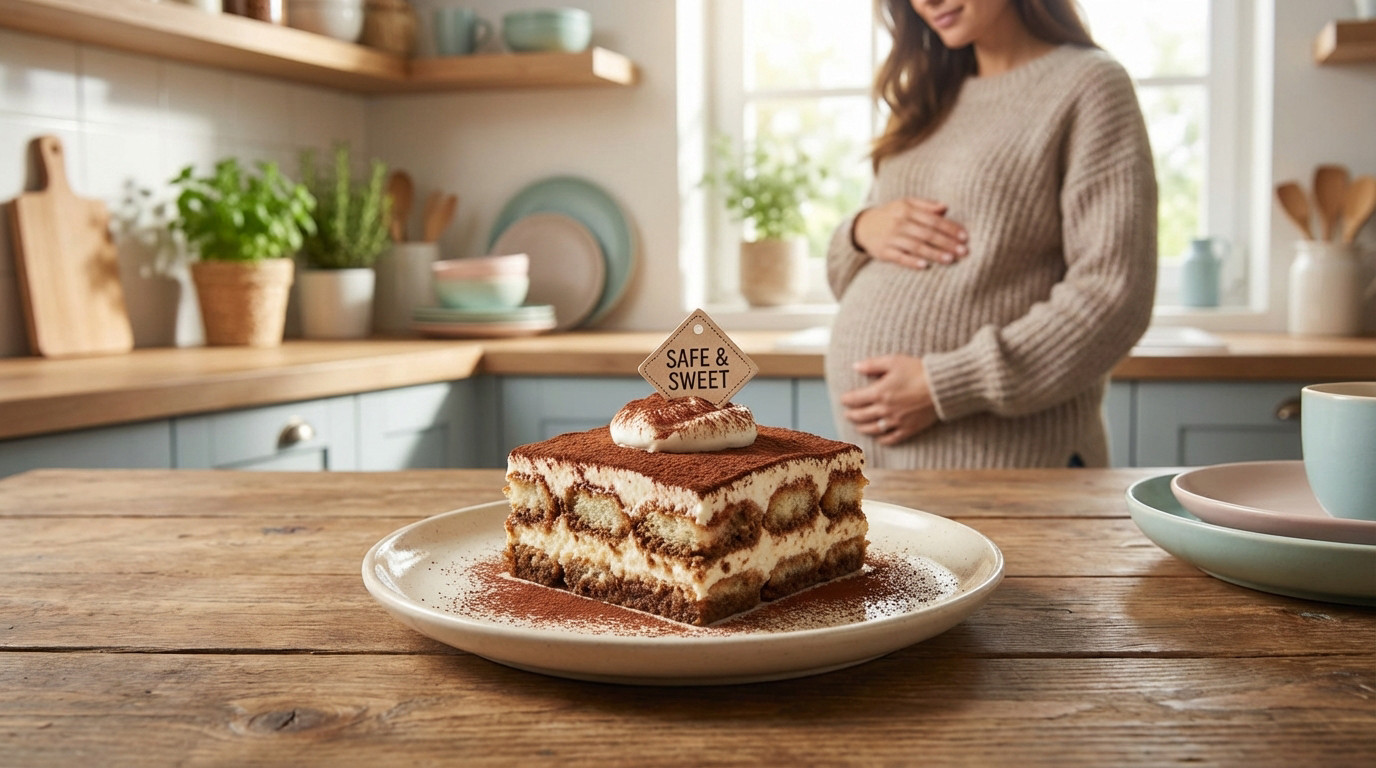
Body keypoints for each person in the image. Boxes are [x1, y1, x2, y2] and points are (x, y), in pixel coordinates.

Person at [825, 0, 1157, 469]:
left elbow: (1114, 295)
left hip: (1008, 466)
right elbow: (852, 277)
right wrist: (859, 232)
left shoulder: (1089, 84)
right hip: (889, 469)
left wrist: (946, 384)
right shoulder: (928, 96)